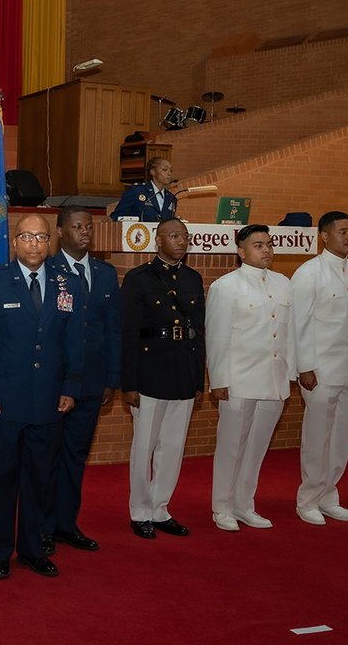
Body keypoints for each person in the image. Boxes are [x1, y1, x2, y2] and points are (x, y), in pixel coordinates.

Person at [0, 214, 84, 580]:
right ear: (15, 242)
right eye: (27, 236)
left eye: (41, 237)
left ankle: (33, 549)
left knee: (40, 480)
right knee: (2, 479)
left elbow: (75, 339)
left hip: (49, 402)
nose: (34, 243)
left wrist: (71, 386)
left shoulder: (69, 284)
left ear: (50, 243)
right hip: (1, 403)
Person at [206, 224, 296, 531]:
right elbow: (217, 337)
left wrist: (290, 374)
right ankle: (222, 507)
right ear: (241, 252)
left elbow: (289, 334)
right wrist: (218, 380)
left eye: (269, 244)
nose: (267, 249)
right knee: (231, 446)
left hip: (273, 380)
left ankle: (245, 504)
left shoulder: (283, 283)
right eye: (258, 245)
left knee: (257, 448)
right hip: (239, 381)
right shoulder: (226, 286)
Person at [121, 217, 205, 539]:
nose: (180, 241)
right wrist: (129, 383)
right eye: (173, 236)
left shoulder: (193, 280)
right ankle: (140, 510)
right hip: (149, 373)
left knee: (172, 447)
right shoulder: (139, 278)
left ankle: (160, 508)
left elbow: (199, 333)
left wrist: (198, 380)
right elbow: (127, 333)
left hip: (182, 372)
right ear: (158, 241)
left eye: (184, 236)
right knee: (144, 447)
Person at [42, 206, 119, 552]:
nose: (85, 232)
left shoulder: (105, 273)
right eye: (76, 226)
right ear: (60, 231)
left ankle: (65, 524)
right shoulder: (46, 270)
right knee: (47, 457)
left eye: (88, 227)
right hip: (54, 385)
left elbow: (113, 331)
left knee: (75, 456)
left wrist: (111, 379)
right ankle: (41, 527)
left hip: (91, 383)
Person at [292, 211, 348, 525]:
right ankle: (308, 499)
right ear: (324, 236)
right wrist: (305, 367)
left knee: (342, 435)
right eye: (342, 231)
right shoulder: (309, 273)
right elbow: (300, 324)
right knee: (318, 436)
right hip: (321, 370)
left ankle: (329, 495)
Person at [110, 157, 177, 221]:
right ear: (153, 171)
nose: (169, 173)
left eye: (171, 170)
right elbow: (117, 216)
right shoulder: (136, 191)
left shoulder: (171, 198)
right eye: (164, 170)